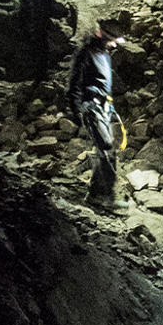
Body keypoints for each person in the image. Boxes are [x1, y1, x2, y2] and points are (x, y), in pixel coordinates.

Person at [69, 26, 128, 212]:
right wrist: (78, 110)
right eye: (112, 40)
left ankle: (95, 194)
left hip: (104, 107)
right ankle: (106, 196)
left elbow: (104, 84)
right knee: (106, 147)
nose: (114, 44)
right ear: (103, 36)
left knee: (107, 149)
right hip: (92, 107)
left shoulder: (104, 54)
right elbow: (74, 84)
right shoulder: (86, 54)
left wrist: (109, 107)